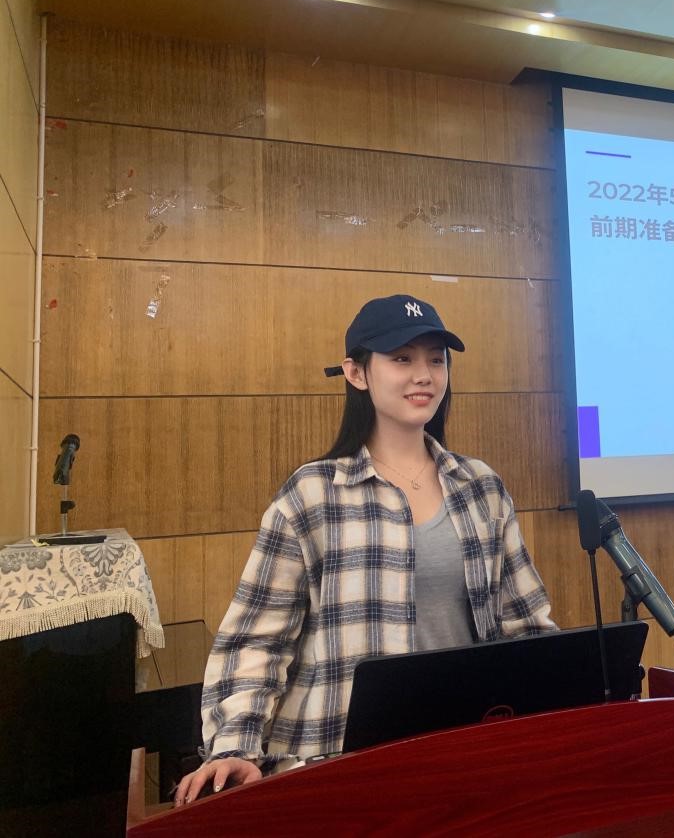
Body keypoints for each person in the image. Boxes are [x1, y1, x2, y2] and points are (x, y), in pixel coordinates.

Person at [174, 294, 555, 804]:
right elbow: (256, 641)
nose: (424, 375)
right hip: (336, 768)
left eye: (436, 360)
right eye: (402, 359)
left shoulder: (481, 487)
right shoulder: (313, 494)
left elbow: (526, 630)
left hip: (460, 759)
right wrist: (233, 747)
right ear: (356, 373)